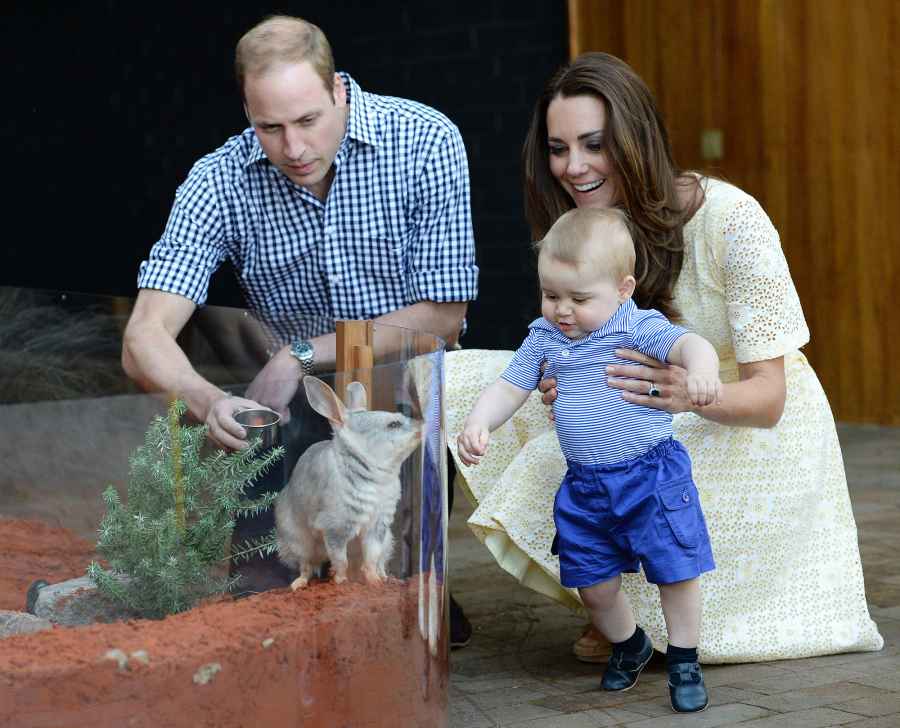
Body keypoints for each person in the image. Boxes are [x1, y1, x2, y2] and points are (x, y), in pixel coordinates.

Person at [444, 51, 883, 664]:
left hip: (742, 421)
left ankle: (640, 615)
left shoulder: (733, 220)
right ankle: (613, 608)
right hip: (636, 403)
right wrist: (559, 374)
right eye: (558, 147)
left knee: (562, 461)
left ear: (635, 138)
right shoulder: (581, 226)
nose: (573, 167)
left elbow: (771, 396)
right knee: (458, 379)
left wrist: (682, 393)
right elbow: (577, 340)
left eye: (594, 144)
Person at [121, 15, 476, 647]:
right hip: (290, 419)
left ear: (339, 90)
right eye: (270, 128)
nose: (293, 149)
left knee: (400, 623)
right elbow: (143, 336)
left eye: (309, 120)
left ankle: (420, 587)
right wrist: (210, 401)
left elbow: (444, 316)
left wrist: (303, 355)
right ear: (247, 112)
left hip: (401, 396)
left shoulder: (425, 139)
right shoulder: (219, 179)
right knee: (264, 610)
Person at [458, 207, 719, 711]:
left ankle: (685, 656)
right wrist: (479, 421)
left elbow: (689, 344)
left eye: (579, 298)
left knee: (676, 569)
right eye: (551, 294)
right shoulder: (545, 337)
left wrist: (702, 369)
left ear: (623, 289)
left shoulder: (636, 326)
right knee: (591, 582)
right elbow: (510, 385)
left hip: (650, 474)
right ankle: (630, 643)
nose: (562, 310)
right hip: (586, 485)